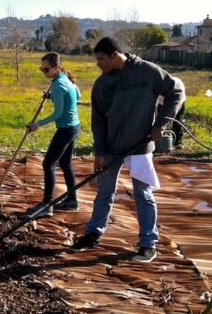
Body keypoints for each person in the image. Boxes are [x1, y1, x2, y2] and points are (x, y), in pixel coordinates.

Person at [70, 37, 185, 263]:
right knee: (104, 192)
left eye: (101, 59)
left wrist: (160, 124)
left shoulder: (147, 72)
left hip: (139, 146)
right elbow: (98, 121)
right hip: (111, 147)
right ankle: (94, 233)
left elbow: (176, 92)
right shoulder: (102, 84)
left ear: (115, 55)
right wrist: (99, 151)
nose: (98, 64)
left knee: (143, 194)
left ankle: (147, 244)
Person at [25, 52, 81, 217]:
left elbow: (58, 113)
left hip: (66, 130)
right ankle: (72, 201)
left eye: (46, 69)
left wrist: (37, 124)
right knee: (65, 164)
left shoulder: (58, 84)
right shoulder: (65, 79)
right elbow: (77, 94)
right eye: (41, 69)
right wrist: (53, 96)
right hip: (74, 127)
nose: (44, 72)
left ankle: (47, 205)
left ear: (56, 67)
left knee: (48, 164)